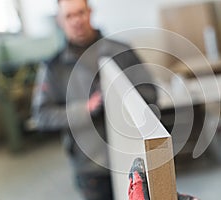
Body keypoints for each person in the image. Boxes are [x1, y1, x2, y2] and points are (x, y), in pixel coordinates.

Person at [31, 0, 157, 199]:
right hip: (90, 168)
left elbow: (151, 94)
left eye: (80, 13)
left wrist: (121, 101)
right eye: (69, 16)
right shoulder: (53, 68)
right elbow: (42, 116)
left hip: (132, 161)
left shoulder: (121, 52)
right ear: (60, 20)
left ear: (90, 12)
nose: (76, 21)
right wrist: (85, 109)